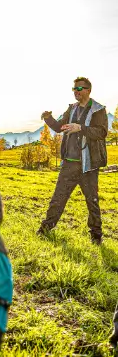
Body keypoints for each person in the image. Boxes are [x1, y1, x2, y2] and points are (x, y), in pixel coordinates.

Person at [38, 77, 108, 245]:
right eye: (74, 88)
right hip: (69, 163)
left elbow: (101, 132)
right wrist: (49, 118)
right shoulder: (71, 109)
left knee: (92, 200)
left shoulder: (98, 110)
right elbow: (59, 127)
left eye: (79, 88)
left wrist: (80, 128)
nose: (75, 91)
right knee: (58, 198)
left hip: (88, 165)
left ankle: (96, 235)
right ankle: (46, 229)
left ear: (88, 90)